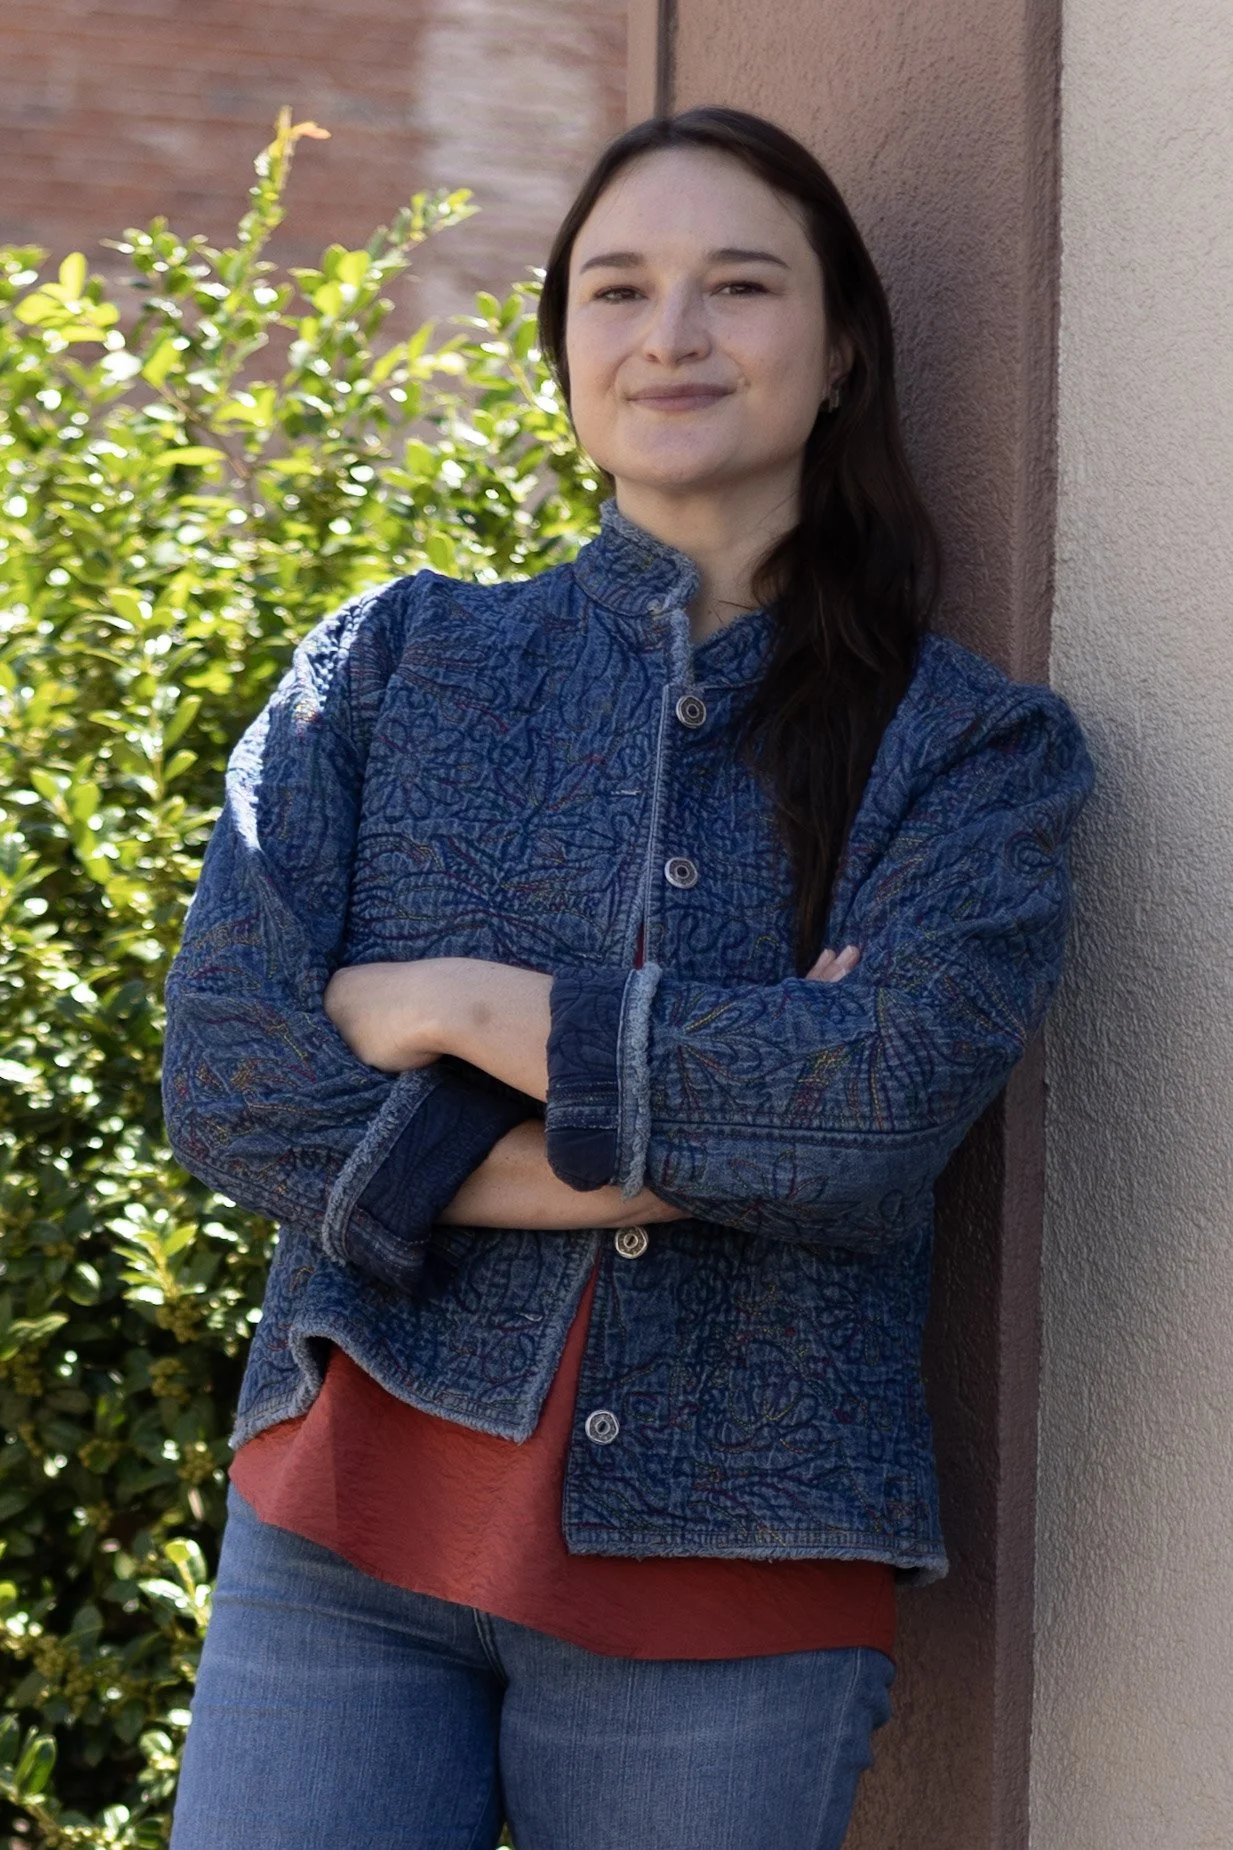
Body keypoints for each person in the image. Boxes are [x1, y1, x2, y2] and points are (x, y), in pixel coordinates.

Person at [162, 106, 1093, 1850]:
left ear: (839, 357)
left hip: (728, 1596)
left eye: (738, 285)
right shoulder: (390, 666)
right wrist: (713, 1133)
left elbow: (867, 1117)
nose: (670, 334)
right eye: (617, 289)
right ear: (564, 350)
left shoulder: (973, 754)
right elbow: (230, 1074)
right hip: (345, 1535)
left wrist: (444, 1000)